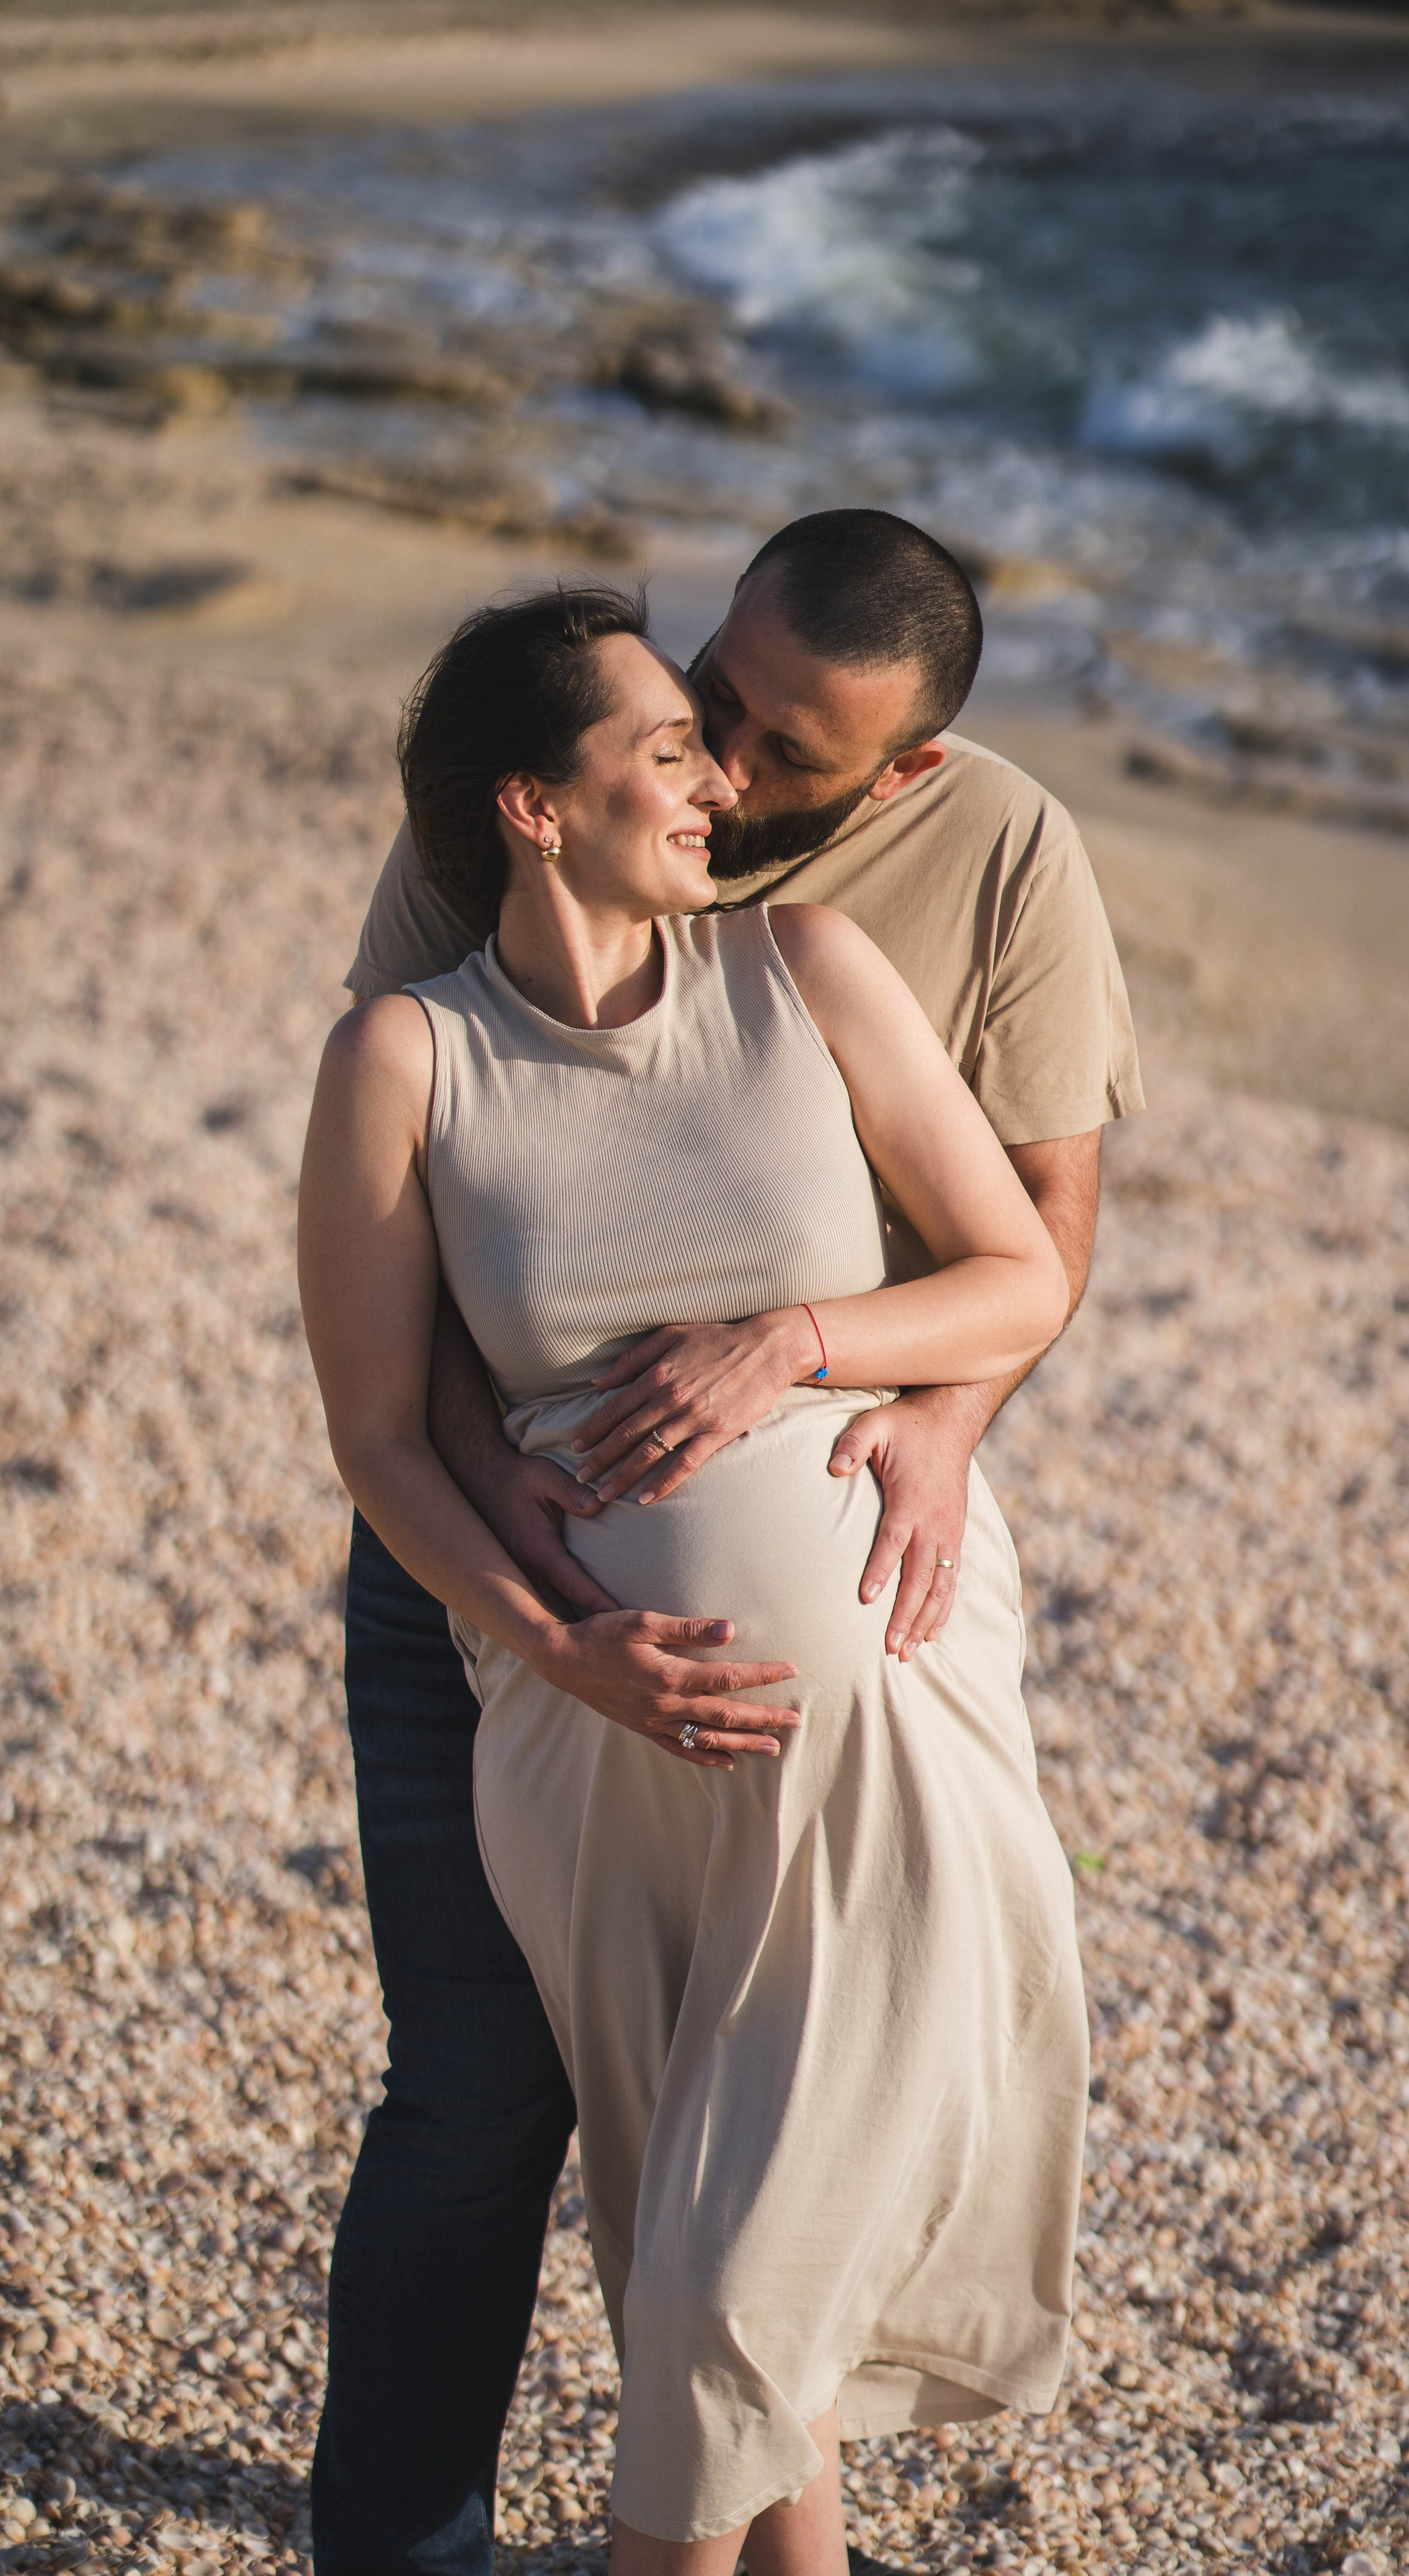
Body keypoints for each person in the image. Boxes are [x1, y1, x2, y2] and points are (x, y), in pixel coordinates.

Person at [313, 511, 1142, 2576]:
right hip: (553, 1678)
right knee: (535, 2138)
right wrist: (541, 1600)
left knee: (723, 2267)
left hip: (870, 1665)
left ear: (900, 775)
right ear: (541, 800)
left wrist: (885, 1398)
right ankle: (402, 2546)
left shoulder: (914, 900)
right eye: (698, 712)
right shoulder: (432, 981)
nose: (724, 771)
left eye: (768, 745)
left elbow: (1032, 1242)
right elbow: (383, 1403)